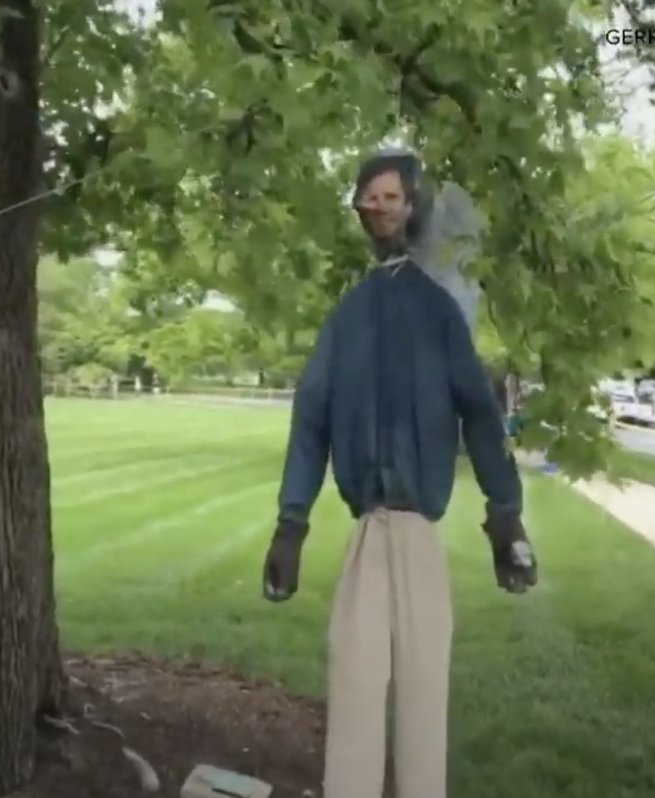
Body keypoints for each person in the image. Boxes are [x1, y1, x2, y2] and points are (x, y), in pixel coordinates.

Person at [260, 149, 538, 798]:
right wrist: (290, 524)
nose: (378, 205)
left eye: (391, 196)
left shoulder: (439, 312)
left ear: (412, 207)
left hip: (419, 537)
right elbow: (311, 423)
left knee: (422, 699)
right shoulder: (348, 315)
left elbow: (479, 414)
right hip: (366, 536)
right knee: (353, 687)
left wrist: (505, 517)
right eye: (369, 196)